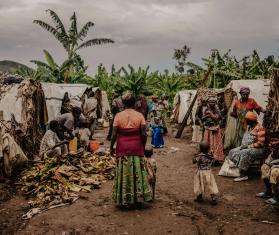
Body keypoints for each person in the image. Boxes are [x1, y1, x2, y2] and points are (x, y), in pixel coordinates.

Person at [111, 91, 153, 208]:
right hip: (136, 146)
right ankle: (137, 198)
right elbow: (144, 134)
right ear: (134, 103)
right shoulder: (140, 116)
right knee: (137, 172)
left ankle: (124, 198)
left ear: (123, 103)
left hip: (122, 146)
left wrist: (111, 147)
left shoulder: (118, 116)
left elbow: (114, 135)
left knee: (124, 172)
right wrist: (142, 146)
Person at [227, 111, 266, 182]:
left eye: (247, 120)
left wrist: (249, 146)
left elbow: (261, 143)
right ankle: (242, 168)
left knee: (245, 153)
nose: (246, 121)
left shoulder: (260, 128)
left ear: (251, 120)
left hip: (258, 149)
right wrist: (243, 146)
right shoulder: (249, 127)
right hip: (247, 147)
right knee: (232, 151)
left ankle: (243, 175)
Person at [257, 139, 279, 205]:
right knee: (264, 167)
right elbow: (271, 158)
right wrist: (268, 163)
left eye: (275, 141)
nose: (273, 143)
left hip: (276, 166)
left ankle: (277, 197)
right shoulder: (276, 149)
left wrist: (276, 165)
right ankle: (268, 192)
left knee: (275, 172)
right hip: (275, 164)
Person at [202, 97, 224, 162]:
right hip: (208, 129)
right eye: (210, 102)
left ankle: (216, 157)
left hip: (215, 129)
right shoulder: (206, 109)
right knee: (207, 143)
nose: (212, 103)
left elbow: (218, 118)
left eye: (213, 102)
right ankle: (208, 157)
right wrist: (206, 116)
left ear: (215, 103)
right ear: (208, 103)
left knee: (215, 143)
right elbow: (203, 118)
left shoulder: (217, 109)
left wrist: (211, 115)